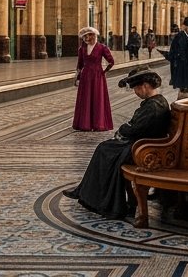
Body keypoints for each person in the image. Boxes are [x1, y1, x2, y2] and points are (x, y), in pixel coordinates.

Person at [63, 68, 173, 218]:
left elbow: (133, 128)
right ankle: (86, 193)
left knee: (104, 150)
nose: (136, 92)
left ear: (145, 86)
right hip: (142, 145)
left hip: (143, 150)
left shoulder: (153, 106)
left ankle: (98, 199)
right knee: (104, 148)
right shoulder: (156, 102)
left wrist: (123, 129)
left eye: (136, 88)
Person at [73, 27, 114, 131]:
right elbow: (80, 65)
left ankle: (98, 123)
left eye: (89, 35)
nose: (87, 38)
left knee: (97, 98)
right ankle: (85, 124)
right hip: (85, 76)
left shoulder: (102, 48)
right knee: (86, 98)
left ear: (94, 36)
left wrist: (103, 71)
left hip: (97, 76)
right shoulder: (82, 49)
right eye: (85, 36)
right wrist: (77, 78)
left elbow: (111, 61)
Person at [166, 17, 188, 98]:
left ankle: (186, 92)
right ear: (185, 26)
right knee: (183, 81)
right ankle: (182, 95)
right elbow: (176, 49)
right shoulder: (180, 36)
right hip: (182, 62)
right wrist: (180, 58)